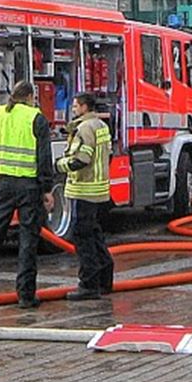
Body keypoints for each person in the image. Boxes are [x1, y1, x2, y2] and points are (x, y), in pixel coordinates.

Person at [0, 79, 54, 309]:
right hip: (28, 187)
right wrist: (47, 188)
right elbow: (44, 157)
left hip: (1, 186)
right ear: (29, 97)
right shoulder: (36, 118)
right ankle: (26, 296)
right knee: (28, 241)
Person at [58, 91, 114, 300]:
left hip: (83, 189)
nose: (73, 109)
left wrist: (59, 165)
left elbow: (81, 158)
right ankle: (105, 280)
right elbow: (107, 155)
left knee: (82, 237)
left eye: (75, 105)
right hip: (98, 189)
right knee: (94, 233)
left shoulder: (84, 128)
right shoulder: (101, 126)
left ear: (84, 107)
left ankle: (89, 285)